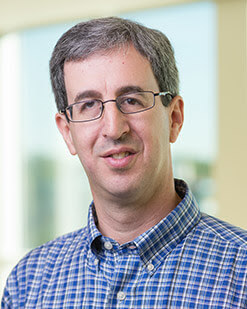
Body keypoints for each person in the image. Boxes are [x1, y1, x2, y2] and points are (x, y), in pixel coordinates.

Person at [1, 17, 247, 309]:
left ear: (174, 118)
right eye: (88, 104)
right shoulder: (27, 282)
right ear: (67, 132)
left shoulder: (241, 272)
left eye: (131, 99)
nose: (114, 128)